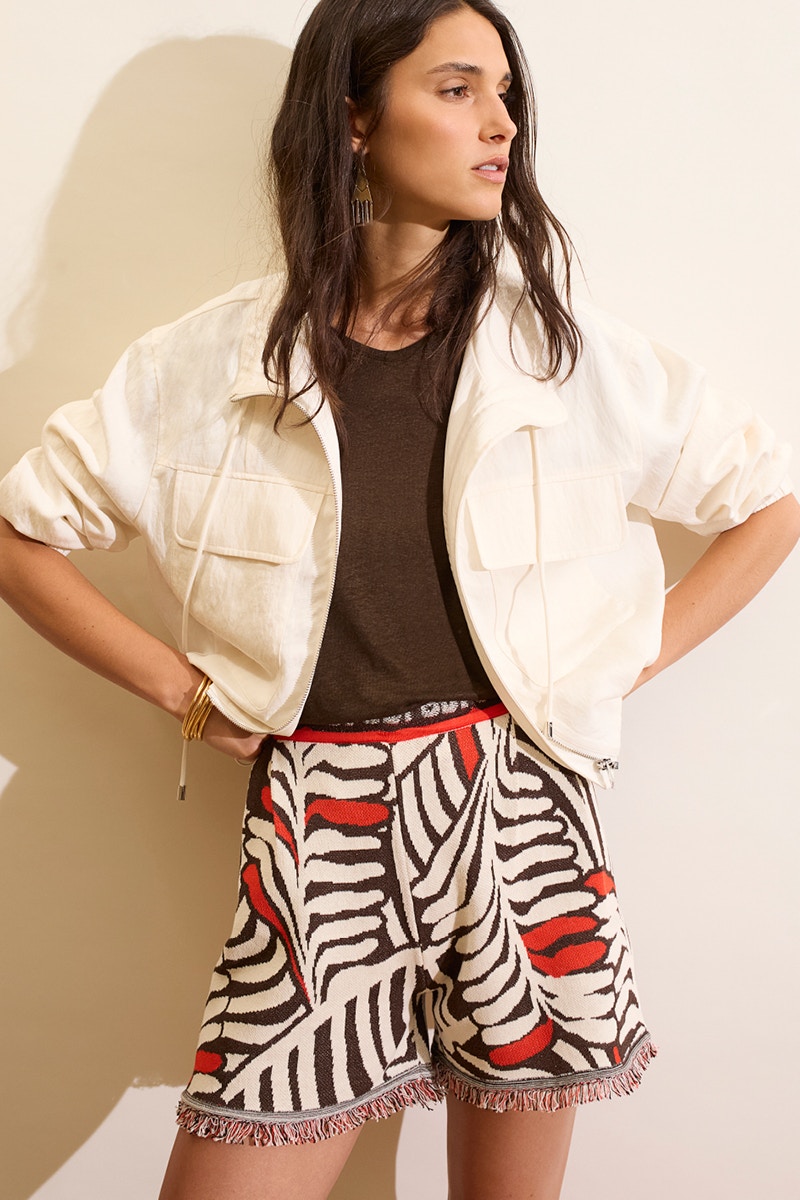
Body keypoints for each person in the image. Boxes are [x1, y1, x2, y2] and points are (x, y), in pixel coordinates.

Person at [0, 0, 797, 1197]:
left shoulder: (556, 350)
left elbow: (765, 501)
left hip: (518, 810)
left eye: (505, 95)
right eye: (457, 89)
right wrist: (181, 693)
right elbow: (20, 536)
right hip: (318, 824)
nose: (501, 125)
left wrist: (608, 660)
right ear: (355, 121)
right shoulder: (208, 363)